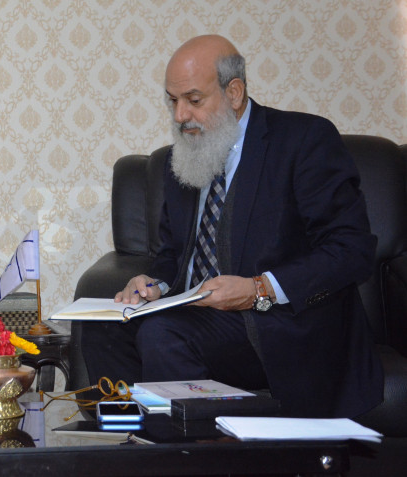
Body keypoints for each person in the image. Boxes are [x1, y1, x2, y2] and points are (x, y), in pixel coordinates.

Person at [80, 35, 383, 418]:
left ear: (234, 92)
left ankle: (191, 449)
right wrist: (154, 284)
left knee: (164, 334)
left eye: (193, 100)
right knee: (102, 328)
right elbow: (172, 256)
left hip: (277, 322)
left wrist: (258, 288)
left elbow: (351, 250)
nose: (180, 116)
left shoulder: (303, 140)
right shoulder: (182, 159)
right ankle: (131, 437)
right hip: (197, 315)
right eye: (173, 101)